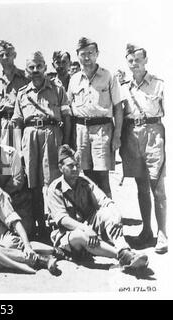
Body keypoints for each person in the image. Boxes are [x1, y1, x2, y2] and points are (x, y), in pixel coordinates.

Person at [46, 145, 149, 273]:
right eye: (70, 166)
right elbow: (63, 220)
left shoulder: (84, 182)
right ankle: (122, 256)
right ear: (61, 168)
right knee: (80, 235)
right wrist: (85, 228)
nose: (75, 169)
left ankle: (124, 249)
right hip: (67, 236)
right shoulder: (55, 189)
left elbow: (104, 201)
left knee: (108, 213)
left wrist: (116, 214)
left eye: (77, 165)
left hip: (89, 227)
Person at [12, 51, 71, 240]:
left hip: (52, 135)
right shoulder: (22, 93)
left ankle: (56, 224)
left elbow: (67, 117)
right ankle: (40, 225)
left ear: (45, 67)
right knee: (33, 183)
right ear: (27, 70)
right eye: (31, 67)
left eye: (39, 66)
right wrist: (18, 150)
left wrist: (66, 145)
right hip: (30, 137)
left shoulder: (57, 89)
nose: (35, 70)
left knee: (52, 181)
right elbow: (17, 123)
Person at [119, 44, 167, 254]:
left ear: (146, 60)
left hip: (154, 134)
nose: (134, 64)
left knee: (158, 187)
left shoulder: (159, 84)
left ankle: (163, 234)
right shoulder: (123, 86)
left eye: (138, 60)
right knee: (141, 186)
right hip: (132, 135)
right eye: (130, 60)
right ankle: (146, 230)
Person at [67, 37, 123, 198]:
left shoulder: (108, 76)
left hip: (102, 130)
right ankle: (95, 216)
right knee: (87, 176)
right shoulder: (74, 79)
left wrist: (117, 135)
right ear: (77, 55)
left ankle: (110, 217)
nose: (87, 58)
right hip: (81, 130)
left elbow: (118, 107)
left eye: (91, 53)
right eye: (83, 54)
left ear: (97, 54)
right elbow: (69, 110)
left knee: (103, 177)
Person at [0, 40, 30, 147]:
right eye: (1, 55)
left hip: (20, 123)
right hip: (3, 123)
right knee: (4, 158)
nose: (5, 57)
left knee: (20, 158)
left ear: (14, 55)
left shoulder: (25, 77)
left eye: (8, 54)